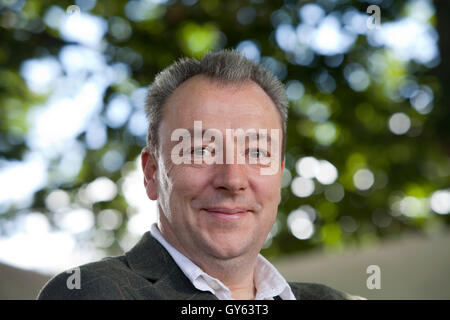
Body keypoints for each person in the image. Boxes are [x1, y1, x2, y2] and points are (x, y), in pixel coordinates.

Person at [38, 50, 363, 300]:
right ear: (152, 173)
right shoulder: (93, 292)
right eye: (200, 151)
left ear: (279, 175)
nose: (233, 179)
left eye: (256, 153)